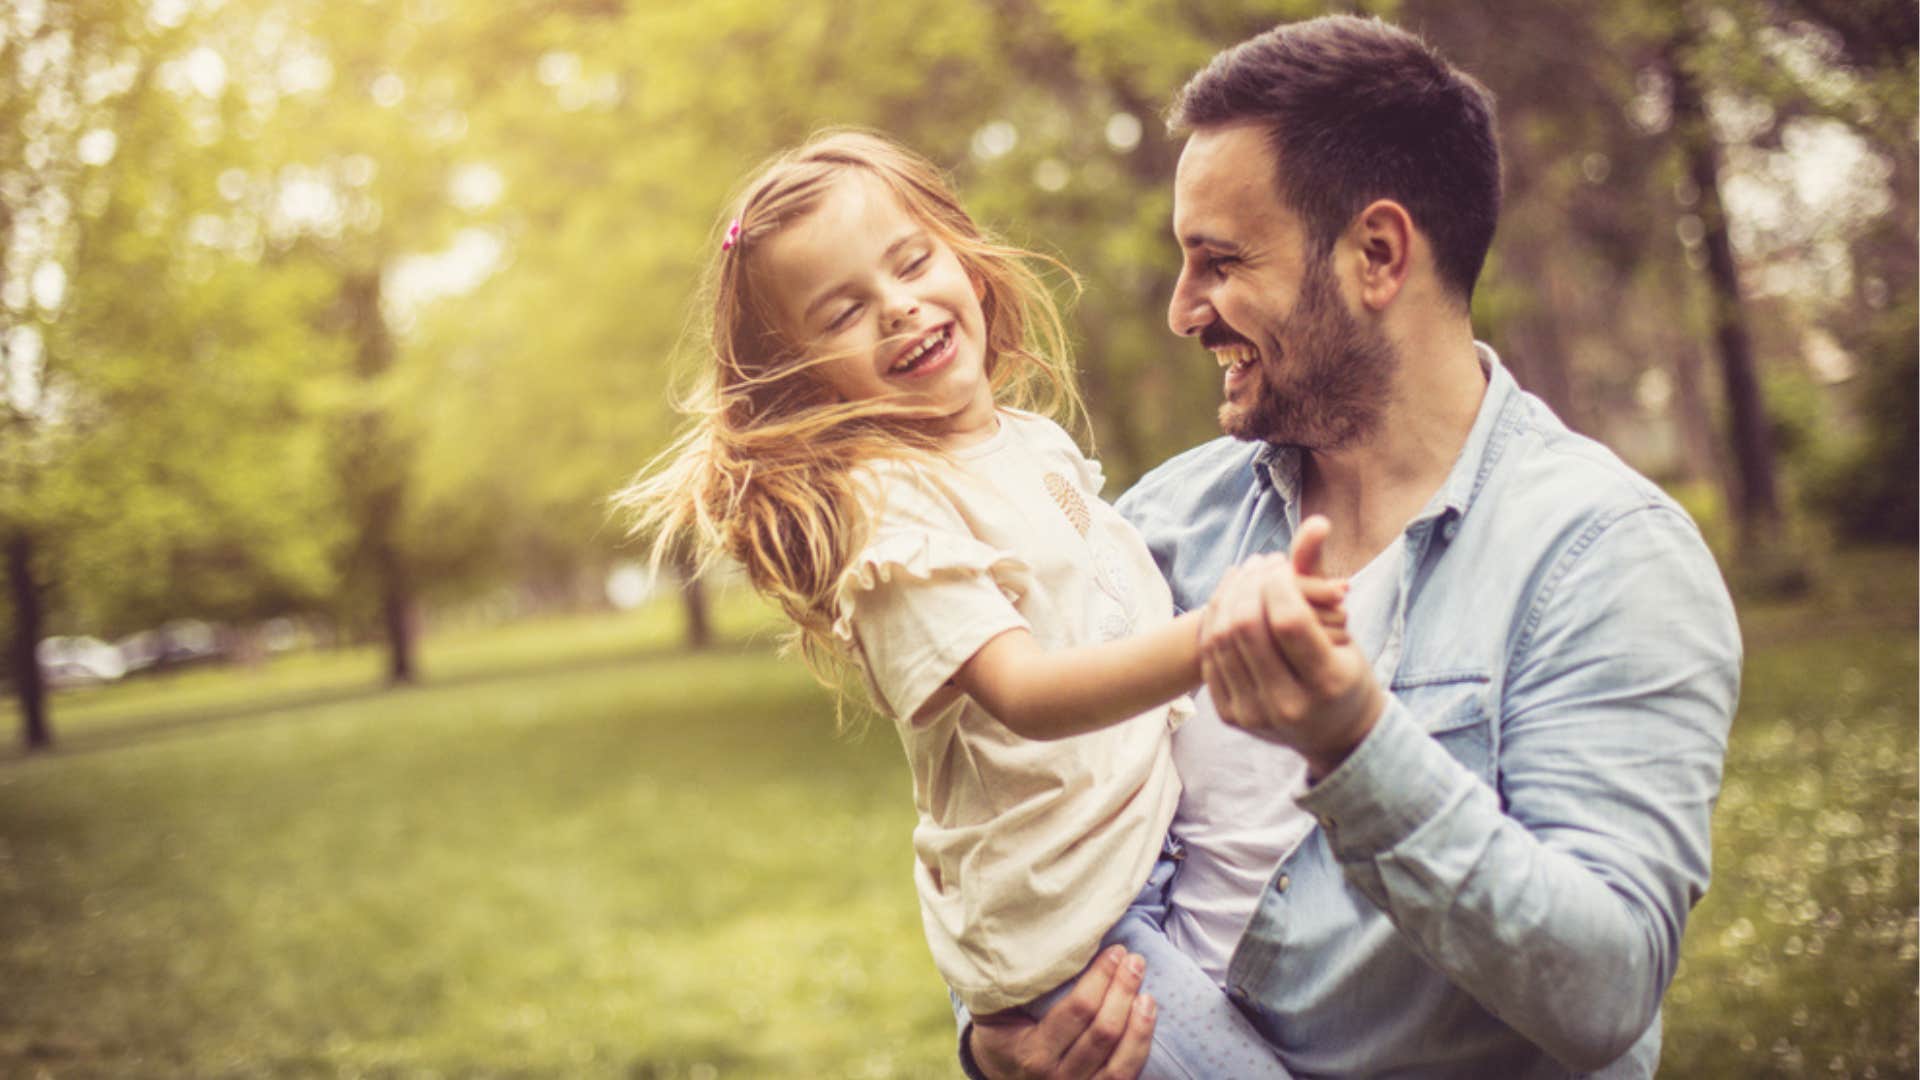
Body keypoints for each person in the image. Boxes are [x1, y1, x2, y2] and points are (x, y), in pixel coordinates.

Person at [960, 15, 1743, 1080]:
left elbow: (1604, 989)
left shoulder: (1604, 557)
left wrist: (1354, 743)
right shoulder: (1159, 525)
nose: (1185, 311)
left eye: (1220, 262)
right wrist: (999, 1043)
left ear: (1378, 254)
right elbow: (1012, 818)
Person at [616, 129, 1356, 1079]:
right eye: (842, 312)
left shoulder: (1027, 445)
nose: (899, 308)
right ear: (801, 379)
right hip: (1078, 934)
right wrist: (1214, 636)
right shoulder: (890, 517)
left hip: (1138, 868)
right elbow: (1028, 691)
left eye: (912, 260)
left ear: (961, 253)